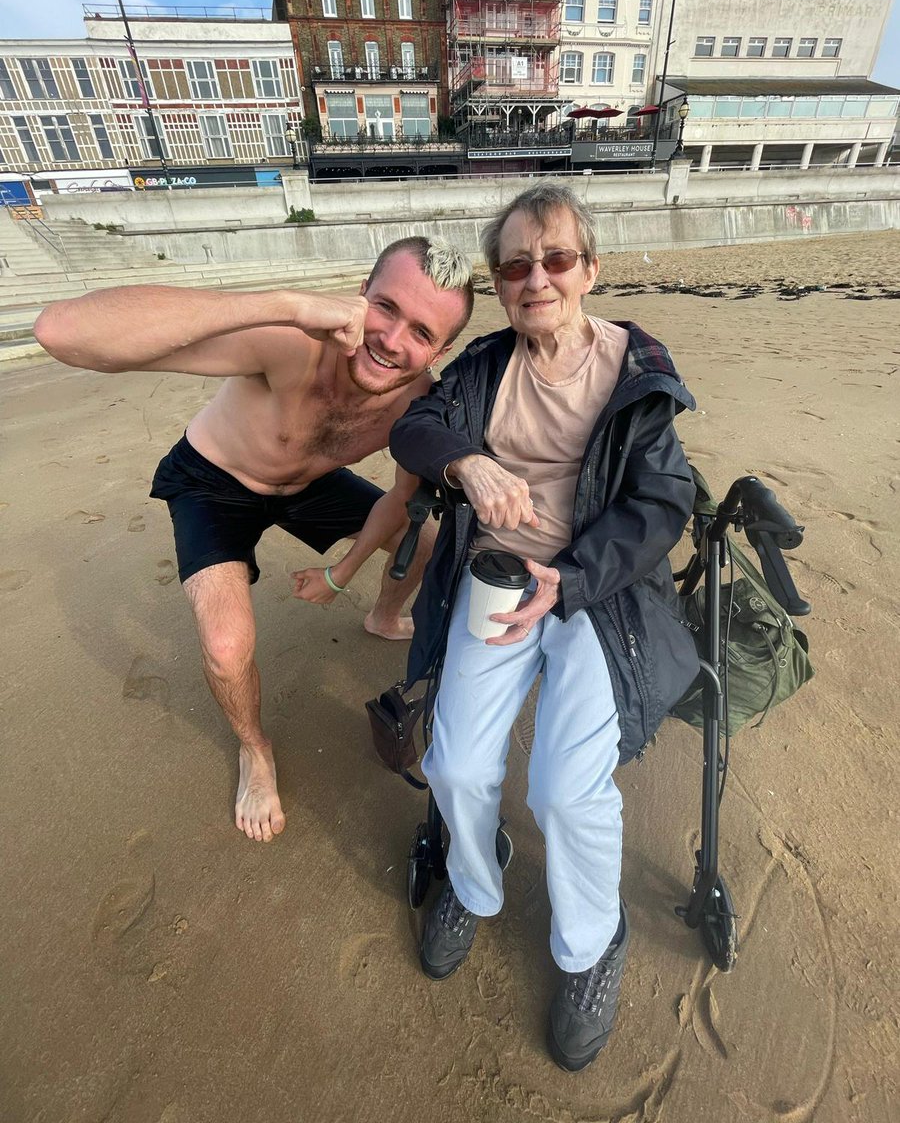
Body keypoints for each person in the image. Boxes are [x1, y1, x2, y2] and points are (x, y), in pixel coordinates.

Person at [390, 186, 699, 1072]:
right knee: (454, 764)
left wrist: (571, 579)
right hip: (495, 574)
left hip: (596, 590)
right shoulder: (486, 366)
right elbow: (412, 424)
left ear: (589, 270)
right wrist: (468, 459)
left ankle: (591, 942)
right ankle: (472, 876)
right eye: (516, 265)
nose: (537, 278)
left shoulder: (634, 372)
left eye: (556, 259)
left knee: (565, 788)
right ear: (498, 284)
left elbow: (661, 505)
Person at [34, 236, 474, 844]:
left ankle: (381, 615)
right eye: (386, 308)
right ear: (358, 297)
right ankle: (255, 748)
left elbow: (401, 501)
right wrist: (286, 305)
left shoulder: (416, 401)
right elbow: (61, 331)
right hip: (214, 480)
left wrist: (340, 574)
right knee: (225, 644)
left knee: (422, 542)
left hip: (306, 485)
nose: (393, 340)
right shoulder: (294, 341)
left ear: (441, 350)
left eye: (422, 332)